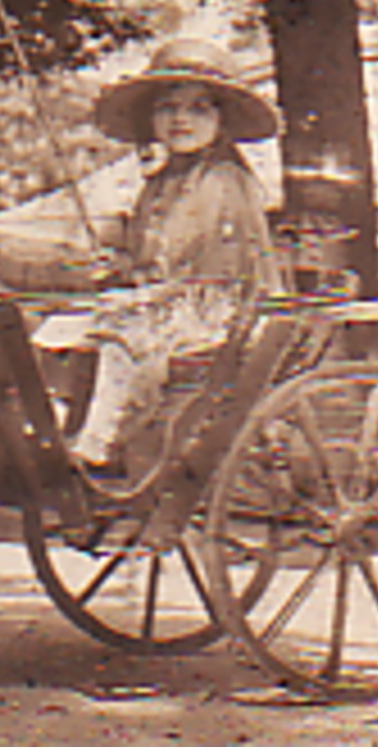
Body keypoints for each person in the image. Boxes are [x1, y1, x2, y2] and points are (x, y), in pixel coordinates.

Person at [67, 38, 286, 469]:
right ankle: (74, 428)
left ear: (221, 121)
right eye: (168, 108)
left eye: (199, 108)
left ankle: (100, 443)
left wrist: (144, 294)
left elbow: (220, 274)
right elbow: (150, 260)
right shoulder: (160, 183)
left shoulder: (226, 183)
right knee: (67, 323)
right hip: (171, 304)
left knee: (119, 325)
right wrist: (120, 267)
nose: (180, 119)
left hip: (222, 312)